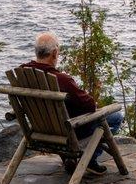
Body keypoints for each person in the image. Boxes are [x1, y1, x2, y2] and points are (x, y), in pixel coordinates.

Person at [20, 32, 124, 175]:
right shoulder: (62, 80)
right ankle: (89, 160)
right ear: (55, 53)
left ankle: (71, 159)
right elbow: (90, 106)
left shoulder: (23, 73)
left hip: (38, 132)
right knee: (116, 117)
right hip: (68, 133)